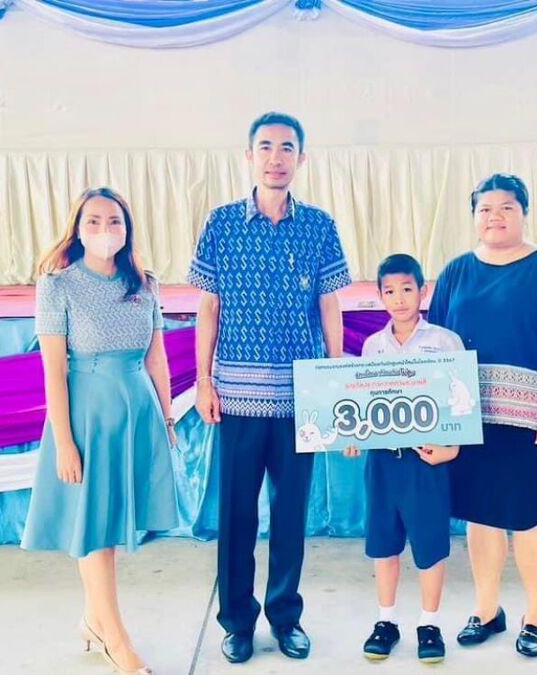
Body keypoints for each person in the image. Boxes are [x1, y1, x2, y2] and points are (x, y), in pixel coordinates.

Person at [189, 112, 351, 664]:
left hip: (302, 398)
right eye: (265, 147)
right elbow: (208, 307)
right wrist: (204, 381)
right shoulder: (221, 223)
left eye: (286, 148)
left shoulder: (319, 225)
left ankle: (286, 617)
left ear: (301, 159)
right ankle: (236, 622)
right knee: (237, 514)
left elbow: (329, 302)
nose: (275, 158)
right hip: (236, 396)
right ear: (249, 156)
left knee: (290, 514)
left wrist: (335, 379)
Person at [428, 173, 537, 658]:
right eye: (485, 209)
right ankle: (486, 610)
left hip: (531, 420)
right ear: (473, 216)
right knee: (480, 518)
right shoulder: (456, 272)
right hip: (469, 419)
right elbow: (434, 346)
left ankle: (535, 615)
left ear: (524, 213)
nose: (494, 217)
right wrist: (437, 418)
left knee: (529, 519)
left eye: (506, 208)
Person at [21, 186, 179, 675]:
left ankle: (93, 620)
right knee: (95, 530)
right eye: (93, 220)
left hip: (136, 412)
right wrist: (64, 442)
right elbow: (53, 371)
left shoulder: (145, 284)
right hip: (87, 417)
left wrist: (167, 418)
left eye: (114, 221)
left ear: (127, 229)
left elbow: (156, 357)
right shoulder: (58, 285)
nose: (105, 230)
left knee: (110, 526)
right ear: (77, 228)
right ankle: (115, 637)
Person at [343, 254, 463, 664]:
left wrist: (451, 448)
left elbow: (460, 402)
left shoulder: (445, 342)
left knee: (430, 544)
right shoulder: (373, 346)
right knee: (383, 543)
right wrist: (352, 434)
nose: (399, 299)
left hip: (427, 463)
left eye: (407, 289)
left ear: (422, 291)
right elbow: (362, 403)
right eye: (390, 291)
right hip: (382, 462)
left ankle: (429, 624)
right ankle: (386, 621)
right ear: (380, 296)